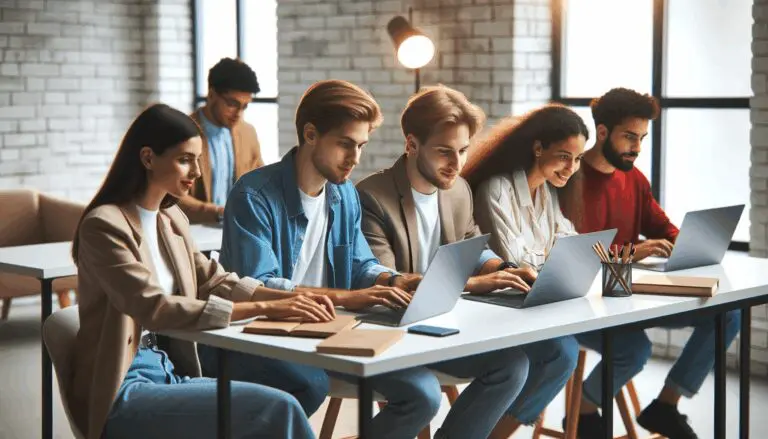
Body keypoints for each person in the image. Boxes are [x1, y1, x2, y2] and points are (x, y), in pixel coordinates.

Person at [199, 79, 448, 438]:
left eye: (361, 145)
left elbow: (361, 264)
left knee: (422, 393)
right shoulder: (253, 195)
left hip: (330, 333)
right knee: (311, 383)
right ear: (311, 134)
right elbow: (259, 286)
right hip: (267, 338)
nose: (355, 158)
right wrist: (347, 298)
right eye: (345, 144)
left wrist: (393, 279)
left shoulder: (344, 194)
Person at [67, 103, 330, 439]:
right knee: (278, 407)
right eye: (185, 160)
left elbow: (214, 279)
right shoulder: (104, 225)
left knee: (296, 390)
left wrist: (290, 298)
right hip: (124, 385)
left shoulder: (172, 218)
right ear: (148, 158)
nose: (197, 172)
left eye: (198, 159)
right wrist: (267, 308)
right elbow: (155, 307)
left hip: (171, 368)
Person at [560, 87, 741, 439]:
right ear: (601, 132)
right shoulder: (570, 180)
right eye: (629, 136)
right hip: (585, 303)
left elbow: (660, 225)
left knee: (727, 314)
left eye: (642, 137)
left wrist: (681, 243)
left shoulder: (634, 178)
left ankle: (666, 405)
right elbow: (573, 262)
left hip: (631, 294)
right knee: (636, 348)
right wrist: (632, 253)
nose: (637, 147)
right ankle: (582, 410)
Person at [356, 85, 534, 439]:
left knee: (513, 364)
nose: (456, 164)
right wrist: (475, 284)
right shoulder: (372, 197)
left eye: (463, 151)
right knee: (426, 393)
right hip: (392, 331)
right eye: (444, 152)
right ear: (411, 144)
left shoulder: (458, 190)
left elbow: (471, 244)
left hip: (441, 326)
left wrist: (501, 269)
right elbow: (389, 282)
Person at [462, 104, 587, 438]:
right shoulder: (496, 189)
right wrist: (551, 260)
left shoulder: (546, 192)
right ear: (538, 148)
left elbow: (572, 247)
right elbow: (513, 262)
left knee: (564, 353)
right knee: (561, 353)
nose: (571, 168)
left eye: (577, 159)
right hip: (496, 310)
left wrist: (552, 261)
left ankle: (493, 434)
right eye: (564, 156)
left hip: (531, 306)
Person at [180, 57, 265, 224]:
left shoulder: (248, 133)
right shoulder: (182, 132)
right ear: (211, 95)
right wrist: (219, 213)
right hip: (193, 235)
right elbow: (172, 196)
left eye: (245, 106)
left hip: (238, 234)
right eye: (232, 104)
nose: (239, 113)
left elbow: (261, 183)